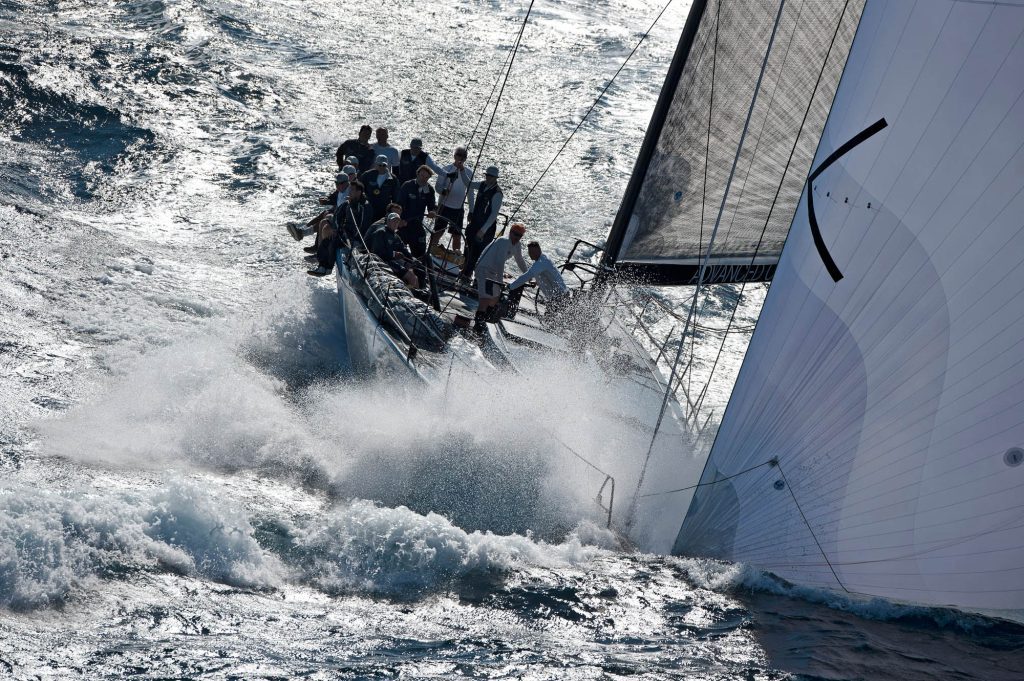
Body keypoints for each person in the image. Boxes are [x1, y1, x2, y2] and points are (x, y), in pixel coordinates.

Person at [472, 222, 528, 334]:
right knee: (486, 298)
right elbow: (499, 263)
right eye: (515, 234)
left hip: (493, 272)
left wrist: (529, 274)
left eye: (519, 235)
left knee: (495, 298)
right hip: (484, 269)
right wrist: (500, 282)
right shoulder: (503, 241)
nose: (516, 237)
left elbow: (520, 260)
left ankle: (485, 319)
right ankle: (478, 325)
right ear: (510, 232)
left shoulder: (517, 245)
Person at [508, 240, 570, 315]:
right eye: (529, 252)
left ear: (539, 251)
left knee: (550, 321)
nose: (530, 254)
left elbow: (526, 276)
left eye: (532, 252)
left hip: (559, 297)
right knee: (550, 320)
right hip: (557, 297)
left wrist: (511, 287)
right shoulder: (544, 257)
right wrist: (537, 281)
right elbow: (548, 274)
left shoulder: (541, 262)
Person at [462, 165, 503, 276]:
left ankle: (473, 276)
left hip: (486, 229)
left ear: (495, 178)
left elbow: (494, 214)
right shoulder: (481, 185)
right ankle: (465, 271)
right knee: (468, 248)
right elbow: (468, 183)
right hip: (474, 224)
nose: (488, 178)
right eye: (487, 175)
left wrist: (483, 230)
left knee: (478, 253)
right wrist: (462, 170)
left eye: (491, 176)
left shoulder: (497, 193)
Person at [289, 173, 349, 247]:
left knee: (326, 218)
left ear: (347, 182)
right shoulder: (340, 191)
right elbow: (333, 199)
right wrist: (326, 200)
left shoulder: (348, 193)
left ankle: (304, 234)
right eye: (336, 183)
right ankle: (302, 231)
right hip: (338, 215)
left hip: (343, 220)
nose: (337, 185)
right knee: (325, 214)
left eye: (340, 183)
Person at [433, 147, 473, 252]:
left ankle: (456, 256)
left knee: (457, 235)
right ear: (454, 156)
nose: (461, 157)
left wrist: (471, 211)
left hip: (458, 209)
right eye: (458, 155)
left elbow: (470, 193)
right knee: (438, 231)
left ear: (465, 158)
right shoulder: (446, 169)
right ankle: (431, 250)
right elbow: (437, 186)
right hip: (444, 206)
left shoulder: (469, 172)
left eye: (463, 156)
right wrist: (443, 191)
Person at [369, 212, 420, 289]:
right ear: (388, 221)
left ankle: (414, 294)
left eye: (397, 221)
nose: (396, 223)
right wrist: (394, 254)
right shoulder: (381, 232)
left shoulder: (396, 236)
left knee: (414, 275)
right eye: (394, 221)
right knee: (411, 276)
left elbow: (403, 249)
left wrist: (412, 259)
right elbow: (377, 252)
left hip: (392, 261)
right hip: (382, 261)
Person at [396, 165, 437, 257]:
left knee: (420, 252)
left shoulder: (430, 190)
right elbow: (399, 204)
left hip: (417, 224)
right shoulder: (407, 185)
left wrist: (432, 212)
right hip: (404, 223)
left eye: (426, 177)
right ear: (417, 174)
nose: (424, 179)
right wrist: (399, 220)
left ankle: (418, 265)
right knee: (398, 247)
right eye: (422, 175)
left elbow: (432, 206)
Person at [360, 155, 399, 222]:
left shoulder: (393, 179)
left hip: (384, 210)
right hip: (369, 208)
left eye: (384, 165)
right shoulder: (367, 175)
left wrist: (393, 211)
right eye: (379, 165)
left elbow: (396, 196)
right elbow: (360, 190)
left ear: (387, 165)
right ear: (375, 164)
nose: (381, 167)